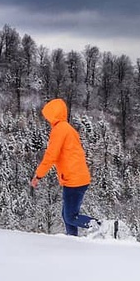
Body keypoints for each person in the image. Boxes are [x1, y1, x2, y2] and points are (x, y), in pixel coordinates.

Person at [30, 98, 99, 237]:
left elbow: (51, 156)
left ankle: (101, 226)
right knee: (67, 215)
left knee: (70, 217)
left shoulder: (59, 130)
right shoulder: (68, 129)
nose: (47, 120)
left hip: (74, 180)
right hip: (77, 177)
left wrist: (38, 176)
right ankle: (71, 240)